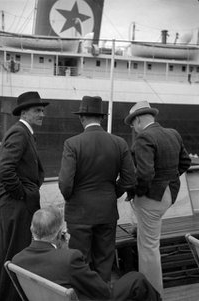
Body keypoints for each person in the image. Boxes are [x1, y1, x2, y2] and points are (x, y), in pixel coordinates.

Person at [58, 95, 136, 283]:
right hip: (107, 211)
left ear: (81, 118)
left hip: (79, 213)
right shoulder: (119, 143)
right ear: (101, 118)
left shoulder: (72, 143)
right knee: (104, 259)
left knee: (79, 260)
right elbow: (129, 178)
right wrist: (112, 193)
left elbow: (66, 183)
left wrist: (72, 198)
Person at [12, 206, 161, 301]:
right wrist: (64, 249)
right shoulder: (69, 258)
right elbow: (103, 293)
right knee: (136, 279)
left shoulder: (17, 261)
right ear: (60, 235)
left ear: (32, 231)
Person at [124, 100, 191, 298]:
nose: (133, 129)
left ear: (137, 120)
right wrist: (168, 180)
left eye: (132, 124)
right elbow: (185, 162)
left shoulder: (144, 138)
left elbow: (144, 174)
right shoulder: (173, 133)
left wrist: (139, 192)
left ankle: (153, 294)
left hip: (151, 197)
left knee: (148, 247)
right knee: (150, 241)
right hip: (169, 194)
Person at [0, 91, 49, 301]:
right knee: (16, 258)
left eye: (43, 110)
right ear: (24, 112)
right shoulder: (20, 133)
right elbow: (4, 171)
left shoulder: (24, 132)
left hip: (17, 204)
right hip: (17, 204)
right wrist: (23, 195)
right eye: (37, 110)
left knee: (16, 256)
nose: (42, 114)